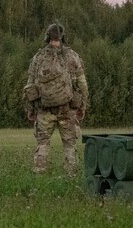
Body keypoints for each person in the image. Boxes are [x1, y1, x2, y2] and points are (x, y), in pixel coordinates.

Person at [23, 22, 88, 175]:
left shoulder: (38, 58)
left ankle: (39, 174)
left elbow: (29, 86)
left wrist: (30, 109)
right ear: (63, 37)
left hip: (44, 111)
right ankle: (71, 176)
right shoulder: (72, 56)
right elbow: (83, 85)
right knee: (70, 145)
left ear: (47, 37)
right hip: (67, 110)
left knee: (42, 144)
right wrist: (82, 106)